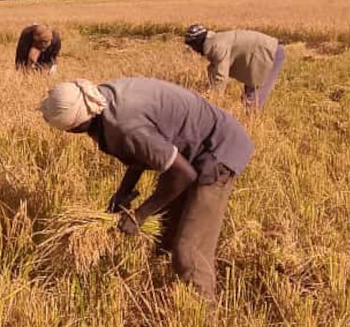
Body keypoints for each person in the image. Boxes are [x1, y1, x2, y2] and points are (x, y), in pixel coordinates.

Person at [38, 77, 254, 298]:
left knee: (188, 250)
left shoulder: (124, 124)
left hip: (218, 151)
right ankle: (166, 294)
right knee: (166, 230)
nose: (72, 134)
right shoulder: (100, 99)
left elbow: (182, 174)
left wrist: (140, 215)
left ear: (80, 123)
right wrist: (123, 192)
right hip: (192, 152)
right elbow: (139, 152)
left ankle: (205, 317)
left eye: (71, 129)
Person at [184, 24, 286, 110]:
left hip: (270, 54)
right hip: (257, 56)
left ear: (197, 43)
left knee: (252, 102)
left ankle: (249, 129)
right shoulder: (214, 41)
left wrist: (212, 103)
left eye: (192, 46)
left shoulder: (216, 47)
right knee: (248, 98)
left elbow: (221, 76)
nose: (194, 50)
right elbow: (214, 70)